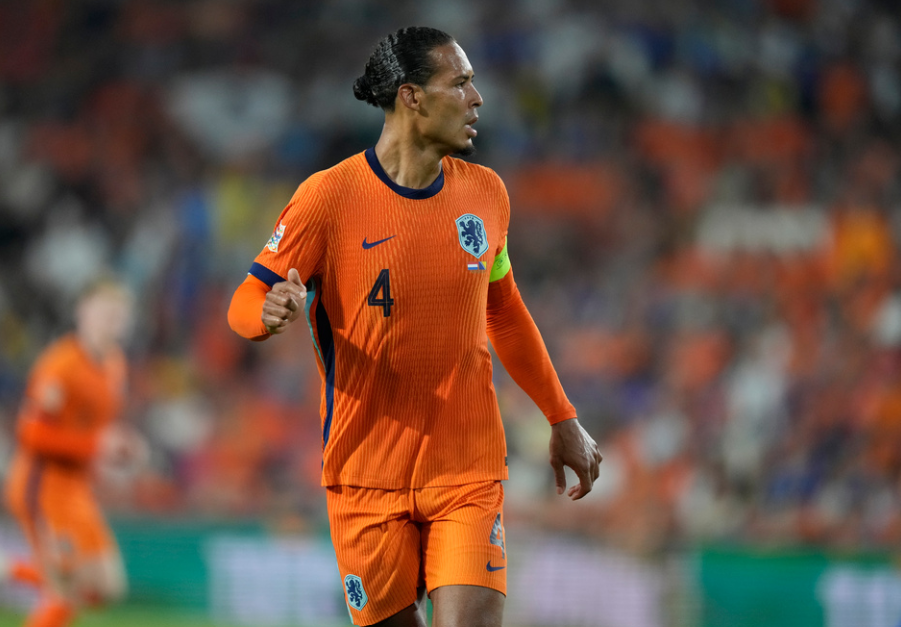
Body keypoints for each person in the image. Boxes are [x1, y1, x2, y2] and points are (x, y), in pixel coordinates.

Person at [227, 26, 602, 627]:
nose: (478, 99)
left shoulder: (487, 195)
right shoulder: (328, 197)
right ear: (411, 97)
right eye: (461, 83)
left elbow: (502, 308)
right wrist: (267, 317)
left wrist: (562, 416)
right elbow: (246, 299)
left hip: (466, 469)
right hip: (364, 476)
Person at [4, 276, 143, 627]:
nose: (111, 321)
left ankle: (12, 569)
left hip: (76, 488)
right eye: (104, 313)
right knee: (64, 588)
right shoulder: (60, 365)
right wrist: (97, 446)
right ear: (82, 313)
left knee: (108, 589)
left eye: (118, 315)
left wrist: (121, 448)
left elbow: (94, 432)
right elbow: (30, 433)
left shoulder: (115, 365)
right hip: (43, 484)